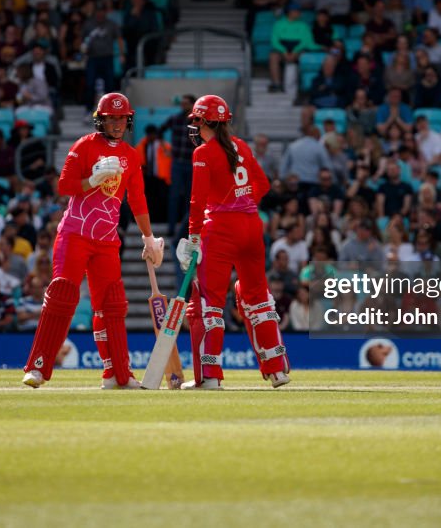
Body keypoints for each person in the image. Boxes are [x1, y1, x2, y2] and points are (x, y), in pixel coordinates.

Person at [22, 93, 164, 389]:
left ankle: (117, 375)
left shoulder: (131, 154)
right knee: (62, 295)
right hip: (75, 234)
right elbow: (64, 186)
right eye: (111, 118)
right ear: (101, 119)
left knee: (112, 306)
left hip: (107, 240)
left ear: (128, 120)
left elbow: (137, 201)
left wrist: (149, 237)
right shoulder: (84, 146)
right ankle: (38, 367)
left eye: (121, 118)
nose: (116, 123)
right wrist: (92, 181)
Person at [176, 95, 290, 389]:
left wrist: (194, 235)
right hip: (252, 227)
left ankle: (210, 376)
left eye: (196, 121)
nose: (194, 127)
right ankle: (277, 370)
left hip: (221, 230)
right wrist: (243, 205)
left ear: (204, 122)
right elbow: (262, 185)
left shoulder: (203, 153)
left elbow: (197, 201)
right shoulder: (241, 145)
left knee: (209, 303)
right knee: (258, 297)